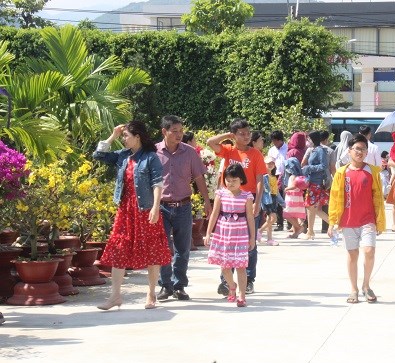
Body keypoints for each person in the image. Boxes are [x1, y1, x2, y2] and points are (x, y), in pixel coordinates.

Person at [93, 121, 172, 310]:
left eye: (126, 136)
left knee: (152, 251)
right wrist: (112, 136)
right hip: (126, 211)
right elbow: (98, 155)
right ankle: (115, 296)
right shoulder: (123, 155)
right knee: (118, 249)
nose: (123, 139)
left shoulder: (151, 157)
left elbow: (157, 184)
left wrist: (155, 207)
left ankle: (151, 293)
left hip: (145, 210)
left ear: (137, 137)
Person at [207, 119, 267, 296]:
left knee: (249, 243)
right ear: (234, 135)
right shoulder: (228, 150)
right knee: (227, 242)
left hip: (248, 200)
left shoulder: (255, 154)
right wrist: (229, 135)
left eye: (248, 133)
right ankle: (226, 282)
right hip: (228, 201)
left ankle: (248, 280)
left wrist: (257, 202)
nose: (247, 136)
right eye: (242, 133)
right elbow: (211, 142)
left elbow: (259, 180)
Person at [156, 115, 212, 301]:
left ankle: (179, 285)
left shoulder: (189, 152)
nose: (179, 134)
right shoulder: (154, 152)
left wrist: (207, 201)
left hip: (183, 206)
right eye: (174, 131)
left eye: (181, 131)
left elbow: (199, 177)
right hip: (161, 207)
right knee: (163, 247)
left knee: (183, 248)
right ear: (164, 132)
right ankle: (165, 285)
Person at [328, 134, 386, 303]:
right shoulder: (341, 172)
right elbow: (335, 197)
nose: (360, 152)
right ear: (349, 151)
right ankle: (353, 289)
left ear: (367, 152)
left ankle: (366, 285)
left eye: (363, 149)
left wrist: (379, 220)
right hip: (348, 221)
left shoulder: (373, 172)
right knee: (352, 254)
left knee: (369, 251)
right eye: (357, 149)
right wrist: (332, 221)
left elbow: (378, 198)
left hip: (368, 220)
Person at [204, 164, 255, 307]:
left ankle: (242, 296)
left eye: (234, 180)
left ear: (241, 180)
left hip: (240, 235)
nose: (230, 183)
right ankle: (232, 285)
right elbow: (214, 214)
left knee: (241, 266)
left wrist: (252, 237)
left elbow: (250, 217)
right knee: (224, 266)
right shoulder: (220, 194)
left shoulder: (246, 196)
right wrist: (208, 233)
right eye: (228, 180)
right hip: (223, 234)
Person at [301, 130, 330, 240]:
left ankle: (311, 231)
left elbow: (324, 165)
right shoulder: (314, 150)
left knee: (310, 207)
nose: (307, 140)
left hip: (316, 182)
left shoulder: (320, 151)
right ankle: (311, 231)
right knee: (314, 208)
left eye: (309, 138)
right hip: (312, 181)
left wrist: (309, 168)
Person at [267, 130, 287, 231]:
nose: (274, 143)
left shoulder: (288, 148)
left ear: (281, 140)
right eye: (273, 141)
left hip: (286, 176)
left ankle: (290, 223)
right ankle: (280, 223)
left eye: (276, 141)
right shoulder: (271, 150)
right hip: (275, 176)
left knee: (287, 199)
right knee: (277, 199)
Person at [257, 156, 281, 246]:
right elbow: (263, 189)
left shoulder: (273, 176)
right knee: (273, 218)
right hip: (268, 199)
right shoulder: (263, 176)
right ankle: (259, 231)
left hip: (273, 199)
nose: (270, 165)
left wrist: (281, 201)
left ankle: (269, 238)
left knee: (269, 219)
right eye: (268, 163)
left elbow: (276, 190)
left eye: (272, 163)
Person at [282, 158, 307, 238]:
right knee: (294, 215)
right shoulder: (299, 176)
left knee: (287, 214)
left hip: (292, 198)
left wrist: (286, 189)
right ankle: (295, 232)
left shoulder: (293, 176)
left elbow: (294, 186)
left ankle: (299, 227)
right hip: (297, 197)